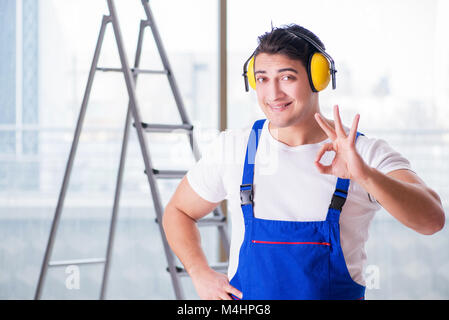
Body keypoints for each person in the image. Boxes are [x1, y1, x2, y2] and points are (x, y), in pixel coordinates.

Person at [162, 24, 445, 300]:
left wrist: (366, 175)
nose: (273, 94)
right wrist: (199, 272)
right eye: (262, 79)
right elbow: (178, 211)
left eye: (287, 77)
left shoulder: (363, 153)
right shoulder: (236, 148)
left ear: (317, 78)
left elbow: (432, 220)